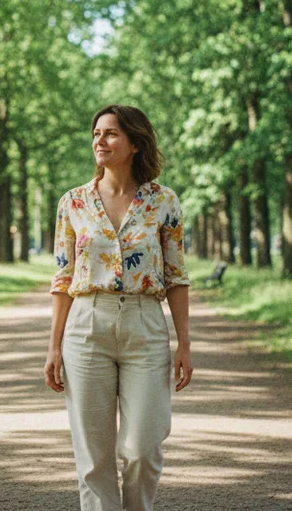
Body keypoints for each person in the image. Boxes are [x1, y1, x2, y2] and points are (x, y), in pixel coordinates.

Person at [44, 104, 192, 511]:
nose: (99, 141)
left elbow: (177, 276)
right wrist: (54, 347)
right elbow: (62, 278)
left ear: (135, 142)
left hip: (145, 324)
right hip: (87, 324)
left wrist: (184, 344)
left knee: (143, 446)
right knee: (93, 456)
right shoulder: (73, 203)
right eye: (96, 134)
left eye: (110, 134)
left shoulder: (164, 201)